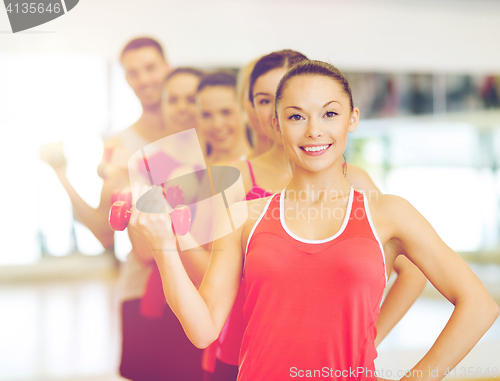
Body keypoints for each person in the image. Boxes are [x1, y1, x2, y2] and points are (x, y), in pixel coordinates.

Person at [130, 59, 499, 381]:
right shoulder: (246, 217)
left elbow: (479, 305)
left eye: (330, 113)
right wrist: (165, 246)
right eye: (296, 116)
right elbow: (203, 329)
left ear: (352, 119)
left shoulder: (388, 213)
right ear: (276, 125)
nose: (314, 131)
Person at [205, 50, 426, 380]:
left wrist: (365, 339)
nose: (309, 121)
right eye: (265, 100)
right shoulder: (226, 178)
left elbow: (410, 271)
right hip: (241, 355)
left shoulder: (358, 184)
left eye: (324, 110)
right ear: (252, 108)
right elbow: (205, 276)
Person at [196, 71, 253, 164]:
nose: (217, 125)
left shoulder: (267, 171)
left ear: (245, 110)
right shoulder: (187, 174)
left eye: (226, 112)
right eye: (206, 115)